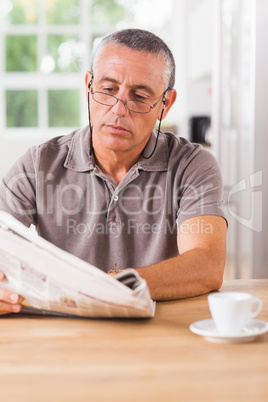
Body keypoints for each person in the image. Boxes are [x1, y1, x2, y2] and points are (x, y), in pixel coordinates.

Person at [0, 28, 227, 315]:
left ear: (165, 104)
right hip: (63, 335)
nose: (119, 110)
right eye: (108, 90)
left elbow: (207, 264)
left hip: (159, 334)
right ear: (88, 87)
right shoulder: (37, 164)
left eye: (140, 96)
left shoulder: (193, 164)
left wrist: (110, 287)